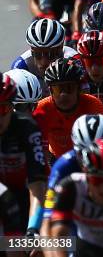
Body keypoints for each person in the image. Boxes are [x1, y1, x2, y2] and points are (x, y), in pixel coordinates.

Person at [33, 57, 103, 161]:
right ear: (50, 91)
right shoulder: (41, 110)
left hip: (89, 159)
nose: (63, 95)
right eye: (58, 89)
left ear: (79, 89)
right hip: (55, 160)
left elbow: (102, 145)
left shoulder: (94, 106)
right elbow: (39, 150)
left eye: (69, 88)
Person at [0, 73, 46, 238]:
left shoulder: (27, 128)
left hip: (25, 198)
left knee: (49, 243)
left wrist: (33, 229)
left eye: (2, 108)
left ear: (11, 107)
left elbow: (37, 185)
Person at [12, 18, 79, 97]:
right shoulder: (21, 66)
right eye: (37, 54)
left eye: (51, 54)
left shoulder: (74, 60)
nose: (44, 62)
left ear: (61, 49)